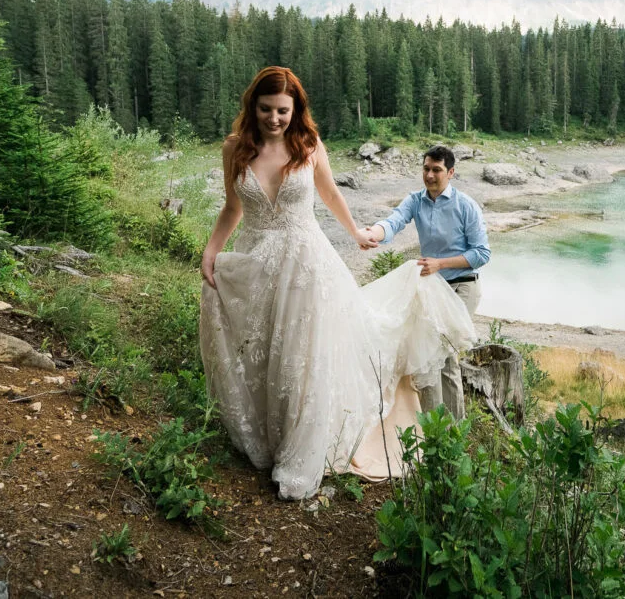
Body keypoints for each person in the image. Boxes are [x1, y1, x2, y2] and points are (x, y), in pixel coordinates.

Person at [199, 67, 476, 501]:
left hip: (308, 263)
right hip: (257, 260)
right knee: (262, 350)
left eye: (283, 111)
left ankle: (300, 449)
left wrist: (358, 234)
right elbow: (233, 207)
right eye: (267, 109)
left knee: (303, 356)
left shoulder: (307, 145)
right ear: (253, 106)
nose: (275, 119)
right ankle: (269, 440)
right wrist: (212, 250)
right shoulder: (234, 148)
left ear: (296, 110)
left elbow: (330, 195)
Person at [361, 145, 490, 420]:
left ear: (451, 172)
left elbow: (481, 254)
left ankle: (454, 432)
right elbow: (394, 221)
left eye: (437, 170)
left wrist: (440, 264)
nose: (429, 175)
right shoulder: (415, 200)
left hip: (462, 285)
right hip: (431, 288)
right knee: (426, 357)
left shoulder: (466, 206)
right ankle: (434, 431)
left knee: (441, 355)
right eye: (426, 169)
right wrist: (372, 232)